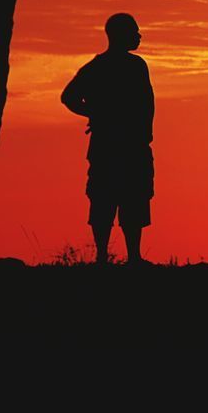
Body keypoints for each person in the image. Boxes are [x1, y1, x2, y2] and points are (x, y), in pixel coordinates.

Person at [60, 13, 155, 265]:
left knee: (128, 199)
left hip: (124, 145)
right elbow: (68, 97)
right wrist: (94, 112)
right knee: (110, 199)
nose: (138, 36)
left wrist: (95, 112)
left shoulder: (106, 66)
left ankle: (124, 257)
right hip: (118, 146)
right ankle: (113, 257)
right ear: (120, 35)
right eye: (134, 31)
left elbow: (146, 104)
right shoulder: (125, 66)